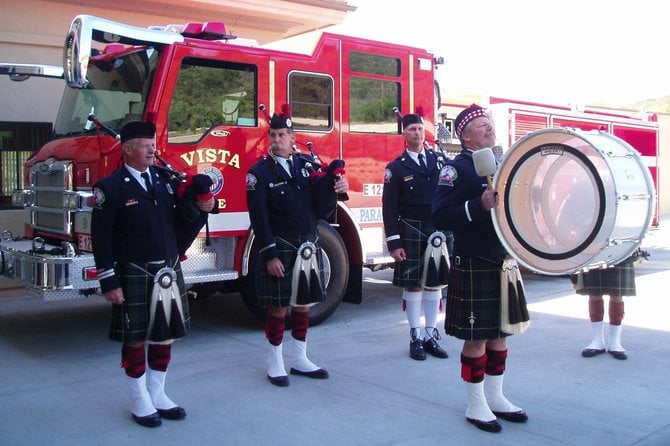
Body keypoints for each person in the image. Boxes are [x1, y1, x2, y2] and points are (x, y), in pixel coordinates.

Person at [91, 121, 215, 428]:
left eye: (153, 143)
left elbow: (178, 222)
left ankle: (157, 394)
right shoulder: (110, 188)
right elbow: (101, 238)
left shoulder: (162, 182)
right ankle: (139, 399)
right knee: (135, 340)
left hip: (167, 271)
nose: (152, 149)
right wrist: (110, 281)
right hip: (133, 272)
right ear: (128, 149)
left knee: (165, 334)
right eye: (146, 145)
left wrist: (202, 208)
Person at [432, 104, 528, 433]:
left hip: (502, 261)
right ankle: (476, 404)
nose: (491, 128)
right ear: (466, 135)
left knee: (501, 335)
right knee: (477, 338)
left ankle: (496, 397)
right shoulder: (455, 169)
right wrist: (478, 205)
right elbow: (440, 215)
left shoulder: (499, 164)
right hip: (473, 260)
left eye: (490, 124)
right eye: (483, 125)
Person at [245, 111, 349, 387]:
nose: (277, 140)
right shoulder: (259, 173)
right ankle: (275, 360)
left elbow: (321, 207)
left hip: (307, 245)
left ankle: (300, 358)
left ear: (293, 139)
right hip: (280, 247)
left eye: (282, 135)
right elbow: (259, 218)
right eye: (273, 135)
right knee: (278, 308)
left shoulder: (305, 166)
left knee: (304, 305)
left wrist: (334, 185)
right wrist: (269, 254)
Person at [382, 113, 450, 361]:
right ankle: (415, 337)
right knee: (414, 284)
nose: (417, 133)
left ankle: (431, 336)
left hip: (438, 230)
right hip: (411, 229)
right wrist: (394, 242)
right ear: (404, 134)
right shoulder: (396, 168)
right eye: (412, 129)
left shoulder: (439, 160)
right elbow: (389, 208)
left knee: (434, 283)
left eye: (420, 128)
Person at [573, 256, 639, 360]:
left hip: (620, 249)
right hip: (595, 251)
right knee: (594, 294)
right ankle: (598, 340)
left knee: (617, 295)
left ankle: (615, 342)